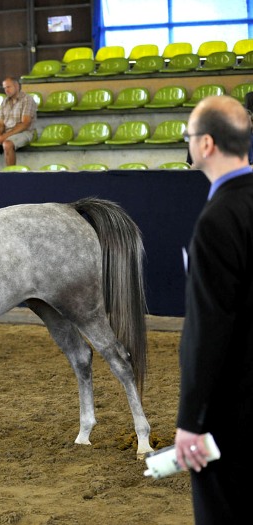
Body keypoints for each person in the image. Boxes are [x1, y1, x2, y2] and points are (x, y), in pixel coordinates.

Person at [174, 95, 253, 524]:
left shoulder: (218, 218)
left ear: (205, 145)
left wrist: (191, 420)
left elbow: (208, 330)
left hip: (232, 416)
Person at [0, 77, 37, 171]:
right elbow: (0, 123)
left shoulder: (27, 99)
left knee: (7, 144)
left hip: (24, 132)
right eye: (4, 88)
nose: (6, 90)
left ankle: (10, 176)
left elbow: (25, 124)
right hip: (6, 132)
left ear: (17, 86)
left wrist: (4, 137)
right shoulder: (5, 101)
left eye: (8, 87)